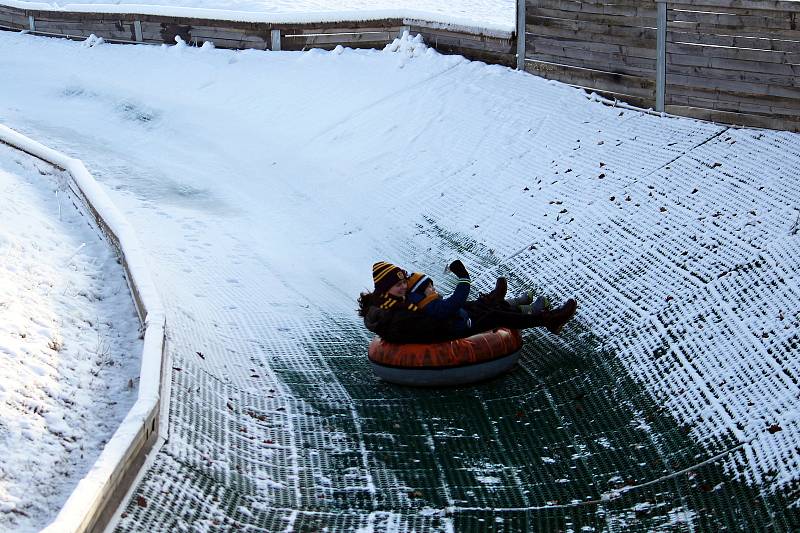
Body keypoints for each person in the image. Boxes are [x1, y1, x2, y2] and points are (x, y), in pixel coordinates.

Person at [358, 260, 577, 344]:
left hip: (441, 324)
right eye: (398, 285)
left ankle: (498, 301)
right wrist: (450, 309)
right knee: (491, 317)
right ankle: (548, 320)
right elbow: (432, 321)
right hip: (445, 332)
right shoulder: (397, 313)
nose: (403, 287)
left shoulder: (393, 302)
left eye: (403, 282)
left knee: (473, 306)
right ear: (386, 288)